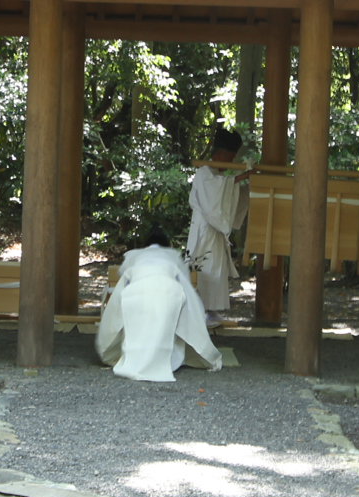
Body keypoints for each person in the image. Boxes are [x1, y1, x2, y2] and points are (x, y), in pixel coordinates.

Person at [96, 230, 223, 383]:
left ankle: (134, 358)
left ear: (145, 245)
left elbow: (123, 275)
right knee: (167, 325)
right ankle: (168, 361)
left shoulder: (133, 255)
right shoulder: (173, 255)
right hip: (168, 289)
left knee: (135, 327)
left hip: (137, 289)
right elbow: (184, 281)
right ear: (166, 245)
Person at [187, 127, 252, 324]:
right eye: (231, 157)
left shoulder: (217, 175)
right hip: (204, 232)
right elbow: (216, 195)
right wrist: (243, 176)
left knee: (217, 269)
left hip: (214, 233)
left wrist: (247, 185)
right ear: (221, 153)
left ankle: (212, 311)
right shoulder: (204, 172)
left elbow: (229, 191)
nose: (231, 162)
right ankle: (198, 311)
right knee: (204, 269)